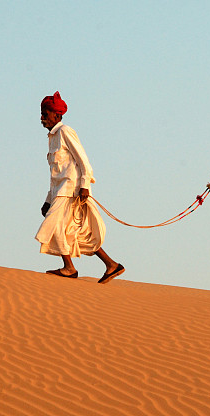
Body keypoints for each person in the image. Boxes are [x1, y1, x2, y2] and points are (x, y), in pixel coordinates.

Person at [34, 91, 125, 284]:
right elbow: (55, 175)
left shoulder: (66, 131)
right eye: (42, 113)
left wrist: (84, 185)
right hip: (60, 192)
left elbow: (84, 161)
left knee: (54, 226)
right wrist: (47, 200)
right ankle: (111, 265)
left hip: (72, 190)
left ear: (57, 115)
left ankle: (69, 268)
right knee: (75, 231)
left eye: (46, 113)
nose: (42, 117)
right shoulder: (52, 139)